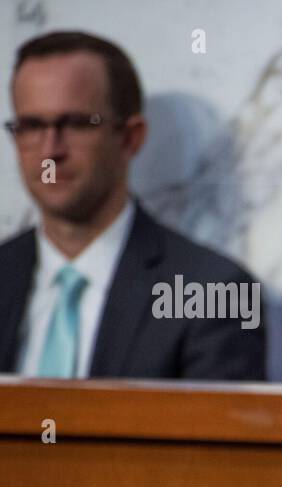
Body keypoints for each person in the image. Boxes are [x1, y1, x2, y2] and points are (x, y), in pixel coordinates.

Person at [0, 31, 265, 380]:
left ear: (130, 137)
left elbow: (214, 431)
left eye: (77, 124)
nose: (51, 151)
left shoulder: (214, 292)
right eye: (31, 126)